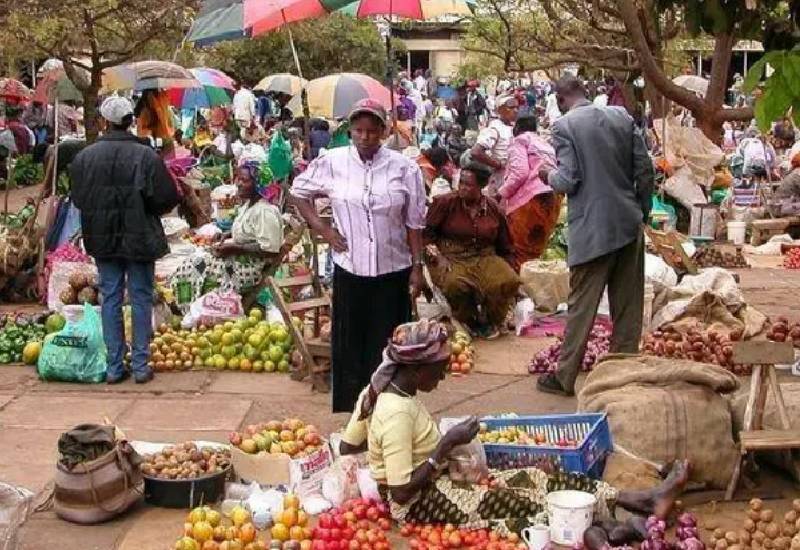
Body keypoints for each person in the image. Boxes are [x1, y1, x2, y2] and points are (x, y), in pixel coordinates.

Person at [339, 319, 691, 545]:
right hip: (420, 503)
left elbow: (346, 445)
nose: (443, 377)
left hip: (440, 482)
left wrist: (375, 453)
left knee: (534, 477)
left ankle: (639, 500)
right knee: (528, 505)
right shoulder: (395, 411)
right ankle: (607, 529)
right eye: (439, 370)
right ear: (416, 370)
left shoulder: (380, 390)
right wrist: (444, 446)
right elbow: (400, 494)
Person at [289, 99, 427, 412]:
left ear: (383, 131)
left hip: (393, 270)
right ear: (350, 131)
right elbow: (299, 192)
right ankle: (355, 410)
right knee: (350, 343)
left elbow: (415, 221)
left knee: (390, 343)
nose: (364, 137)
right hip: (350, 269)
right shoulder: (333, 162)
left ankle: (391, 408)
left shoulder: (403, 167)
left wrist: (417, 268)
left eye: (371, 131)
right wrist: (323, 230)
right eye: (358, 131)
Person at [535, 76, 654, 397]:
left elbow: (568, 180)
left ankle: (564, 377)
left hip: (592, 231)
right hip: (628, 224)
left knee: (582, 307)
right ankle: (623, 377)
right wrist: (641, 212)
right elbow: (645, 171)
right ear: (585, 92)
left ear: (560, 98)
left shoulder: (564, 126)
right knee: (628, 308)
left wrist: (546, 174)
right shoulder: (621, 116)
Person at [69, 97, 180, 384]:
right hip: (140, 236)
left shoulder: (85, 157)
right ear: (131, 120)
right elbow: (166, 198)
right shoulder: (145, 156)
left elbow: (79, 199)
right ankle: (141, 366)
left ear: (105, 122)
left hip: (102, 237)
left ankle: (114, 366)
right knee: (141, 297)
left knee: (110, 297)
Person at [171, 161, 285, 304]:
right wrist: (229, 233)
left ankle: (195, 305)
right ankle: (185, 301)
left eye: (244, 180)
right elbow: (250, 230)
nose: (238, 183)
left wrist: (234, 248)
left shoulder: (264, 211)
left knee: (195, 266)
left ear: (258, 184)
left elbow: (270, 249)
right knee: (195, 259)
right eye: (238, 178)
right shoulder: (250, 204)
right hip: (241, 259)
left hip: (249, 268)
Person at [425, 165, 519, 339]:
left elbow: (505, 244)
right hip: (452, 256)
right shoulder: (445, 203)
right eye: (461, 182)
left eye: (468, 184)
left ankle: (491, 319)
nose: (462, 187)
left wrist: (510, 266)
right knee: (456, 285)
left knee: (508, 280)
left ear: (481, 186)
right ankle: (468, 319)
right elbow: (427, 235)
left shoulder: (493, 208)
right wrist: (438, 256)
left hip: (484, 256)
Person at [498, 116, 561, 269]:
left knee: (519, 249)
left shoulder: (520, 140)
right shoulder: (545, 144)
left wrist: (501, 194)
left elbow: (519, 173)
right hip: (552, 197)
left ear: (518, 128)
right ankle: (535, 284)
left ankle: (521, 285)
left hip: (530, 200)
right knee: (535, 248)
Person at [470, 94, 518, 196]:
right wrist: (498, 164)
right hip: (502, 179)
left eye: (517, 107)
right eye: (511, 107)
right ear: (500, 110)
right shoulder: (495, 128)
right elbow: (476, 152)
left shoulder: (514, 126)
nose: (516, 110)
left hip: (514, 177)